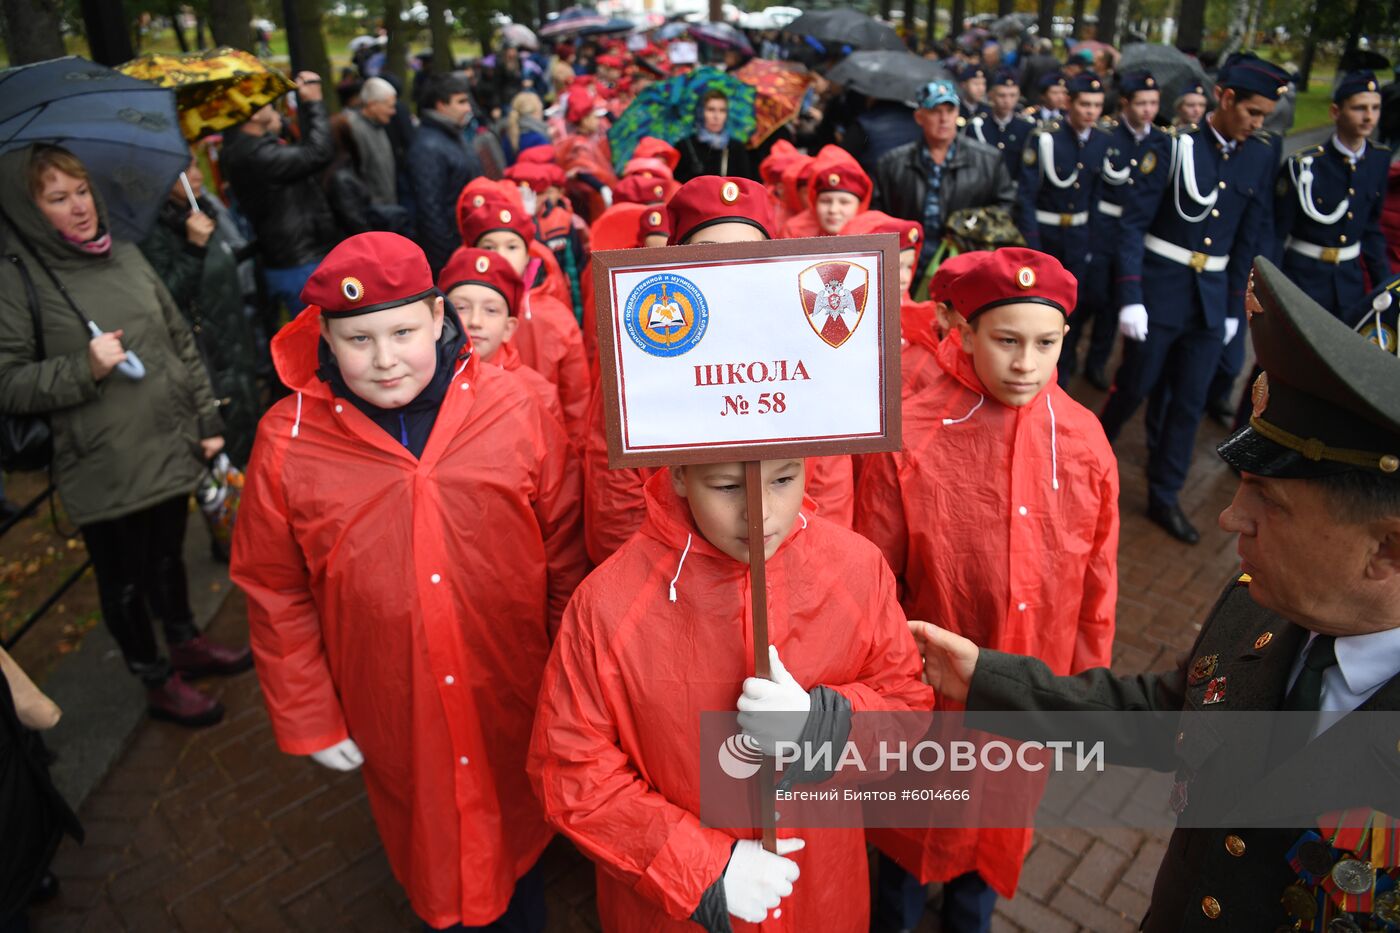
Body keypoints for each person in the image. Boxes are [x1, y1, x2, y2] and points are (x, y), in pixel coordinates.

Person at [912, 258, 1400, 933]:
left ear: (1388, 548)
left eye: (1272, 502)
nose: (1229, 517)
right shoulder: (1258, 605)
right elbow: (1171, 714)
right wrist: (987, 677)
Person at [530, 185, 933, 928]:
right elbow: (571, 766)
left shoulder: (854, 569)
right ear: (676, 471)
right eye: (725, 484)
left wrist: (827, 725)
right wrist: (701, 864)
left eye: (786, 478)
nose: (761, 510)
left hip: (820, 896)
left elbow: (907, 707)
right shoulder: (609, 606)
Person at [231, 232, 587, 932]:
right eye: (358, 339)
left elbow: (563, 547)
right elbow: (275, 587)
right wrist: (308, 710)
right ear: (324, 339)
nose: (385, 358)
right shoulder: (288, 438)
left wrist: (572, 676)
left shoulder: (515, 405)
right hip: (391, 696)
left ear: (437, 320)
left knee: (515, 838)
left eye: (402, 331)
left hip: (511, 677)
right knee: (431, 834)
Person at [857, 249, 1118, 933]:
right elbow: (876, 575)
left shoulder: (1085, 439)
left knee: (996, 827)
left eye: (1046, 343)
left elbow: (1098, 579)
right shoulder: (910, 434)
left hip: (1032, 681)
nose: (1026, 363)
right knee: (913, 830)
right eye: (1006, 340)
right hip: (929, 691)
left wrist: (1084, 690)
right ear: (965, 332)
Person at [0, 144, 250, 727]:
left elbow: (177, 339)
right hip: (101, 463)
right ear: (29, 209)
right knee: (125, 581)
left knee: (168, 556)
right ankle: (155, 678)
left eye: (82, 191)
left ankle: (186, 642)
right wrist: (80, 368)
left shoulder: (124, 252)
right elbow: (7, 382)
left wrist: (205, 421)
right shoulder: (18, 280)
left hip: (167, 441)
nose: (80, 207)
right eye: (58, 198)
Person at [581, 176, 857, 565]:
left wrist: (802, 575)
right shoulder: (636, 359)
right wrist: (654, 583)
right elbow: (615, 499)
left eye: (748, 253)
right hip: (671, 576)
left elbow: (828, 485)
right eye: (708, 253)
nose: (730, 268)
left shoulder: (807, 351)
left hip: (785, 567)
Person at [1099, 52, 1287, 545]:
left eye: (1264, 117)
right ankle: (1090, 454)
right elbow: (1132, 226)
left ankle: (1165, 494)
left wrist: (1231, 309)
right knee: (1134, 387)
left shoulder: (1260, 153)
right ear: (1225, 97)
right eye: (1252, 112)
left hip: (1208, 303)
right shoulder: (1173, 147)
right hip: (1160, 293)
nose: (1257, 124)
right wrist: (1131, 297)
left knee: (1188, 402)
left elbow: (1248, 235)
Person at [138, 155, 263, 469]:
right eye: (185, 169)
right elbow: (166, 295)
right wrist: (194, 247)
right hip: (210, 356)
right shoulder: (155, 231)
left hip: (236, 344)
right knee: (231, 445)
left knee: (253, 436)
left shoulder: (201, 210)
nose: (196, 174)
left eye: (195, 165)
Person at [456, 187, 590, 443]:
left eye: (512, 246)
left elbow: (576, 400)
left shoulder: (556, 317)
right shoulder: (457, 313)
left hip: (549, 439)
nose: (501, 257)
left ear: (528, 255)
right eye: (489, 246)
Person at [1077, 72, 1173, 391]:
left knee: (1115, 303)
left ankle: (1096, 364)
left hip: (1135, 235)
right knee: (1090, 297)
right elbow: (1090, 188)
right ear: (1125, 103)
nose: (1148, 109)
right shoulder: (1105, 135)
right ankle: (1067, 361)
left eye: (1154, 103)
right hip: (1103, 229)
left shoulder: (1161, 141)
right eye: (1142, 103)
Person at [221, 72, 341, 323]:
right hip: (298, 260)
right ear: (253, 113)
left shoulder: (242, 148)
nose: (272, 107)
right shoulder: (257, 155)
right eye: (266, 103)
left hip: (286, 255)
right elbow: (318, 152)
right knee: (316, 333)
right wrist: (313, 102)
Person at [1273, 70, 1390, 324]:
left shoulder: (1379, 159)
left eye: (1375, 108)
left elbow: (1371, 227)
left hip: (1349, 282)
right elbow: (1276, 232)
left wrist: (1386, 286)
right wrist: (1270, 289)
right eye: (1359, 108)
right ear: (1336, 112)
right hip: (1302, 278)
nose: (1369, 116)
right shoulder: (1304, 164)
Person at [1016, 72, 1110, 385]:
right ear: (1068, 102)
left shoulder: (1101, 140)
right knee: (1039, 308)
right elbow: (1026, 197)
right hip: (1048, 236)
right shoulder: (1045, 138)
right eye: (1085, 104)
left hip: (1079, 237)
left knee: (1073, 310)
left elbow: (1096, 197)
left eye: (1097, 105)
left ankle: (1063, 373)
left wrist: (1092, 243)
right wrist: (1033, 248)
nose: (1091, 112)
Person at [873, 80, 1016, 274]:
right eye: (935, 111)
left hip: (966, 261)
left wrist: (969, 227)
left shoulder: (988, 159)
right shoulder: (892, 163)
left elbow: (1006, 207)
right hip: (908, 263)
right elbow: (878, 216)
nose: (944, 119)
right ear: (919, 117)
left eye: (950, 110)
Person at [437, 246, 562, 423]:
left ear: (508, 328)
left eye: (491, 310)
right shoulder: (420, 387)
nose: (475, 321)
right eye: (461, 308)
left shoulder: (537, 393)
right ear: (441, 318)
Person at [407, 73, 483, 274]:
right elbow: (430, 211)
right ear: (441, 105)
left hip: (464, 242)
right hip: (451, 252)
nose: (468, 108)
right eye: (461, 102)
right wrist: (449, 260)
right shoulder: (427, 147)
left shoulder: (452, 135)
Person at [964, 71, 1037, 180]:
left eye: (1013, 95)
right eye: (1001, 95)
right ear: (991, 95)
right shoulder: (977, 127)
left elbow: (1029, 166)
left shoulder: (1027, 127)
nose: (1007, 101)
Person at [675, 89, 754, 183]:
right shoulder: (685, 146)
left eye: (722, 110)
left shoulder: (736, 147)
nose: (716, 116)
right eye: (711, 109)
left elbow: (745, 184)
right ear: (700, 112)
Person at [347, 76, 400, 208]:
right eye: (390, 106)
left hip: (385, 208)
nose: (393, 112)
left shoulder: (379, 125)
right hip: (373, 211)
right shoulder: (356, 130)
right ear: (372, 105)